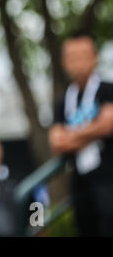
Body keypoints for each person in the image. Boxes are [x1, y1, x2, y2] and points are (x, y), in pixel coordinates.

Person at [49, 34, 113, 236]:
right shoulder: (64, 100)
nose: (79, 62)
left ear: (95, 57)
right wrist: (92, 130)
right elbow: (57, 142)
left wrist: (72, 135)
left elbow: (108, 125)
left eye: (83, 55)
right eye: (73, 56)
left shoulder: (107, 90)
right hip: (80, 181)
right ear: (64, 61)